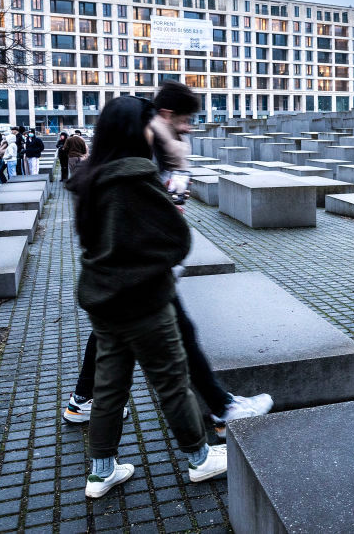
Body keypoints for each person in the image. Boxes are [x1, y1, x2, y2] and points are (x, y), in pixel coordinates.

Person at [70, 96, 225, 498]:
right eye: (148, 125)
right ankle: (200, 458)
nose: (154, 132)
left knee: (109, 388)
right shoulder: (136, 177)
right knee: (171, 380)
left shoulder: (90, 178)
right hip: (143, 300)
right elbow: (176, 239)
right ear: (134, 130)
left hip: (103, 300)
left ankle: (101, 471)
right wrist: (173, 198)